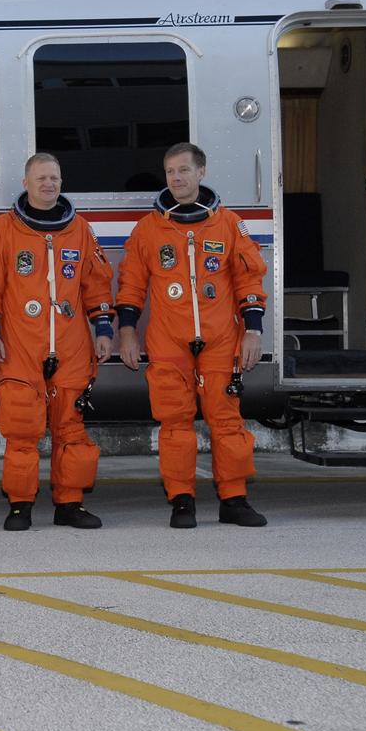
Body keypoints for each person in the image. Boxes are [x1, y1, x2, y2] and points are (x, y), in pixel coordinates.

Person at [116, 142, 269, 528]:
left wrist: (253, 330)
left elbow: (248, 279)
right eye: (170, 172)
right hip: (169, 342)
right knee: (174, 424)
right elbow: (132, 285)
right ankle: (181, 500)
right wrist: (128, 332)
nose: (177, 178)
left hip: (221, 339)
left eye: (184, 170)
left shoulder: (229, 224)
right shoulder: (150, 229)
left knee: (227, 422)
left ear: (201, 173)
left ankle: (234, 499)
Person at [0, 153, 114, 531]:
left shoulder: (80, 229)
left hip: (70, 345)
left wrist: (103, 330)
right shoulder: (3, 229)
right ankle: (20, 505)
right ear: (26, 183)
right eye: (41, 178)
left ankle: (70, 503)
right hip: (20, 344)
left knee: (72, 430)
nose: (49, 184)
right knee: (22, 430)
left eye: (54, 178)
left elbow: (96, 284)